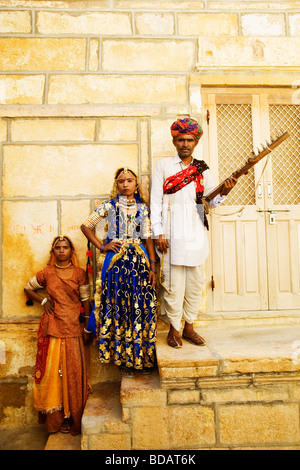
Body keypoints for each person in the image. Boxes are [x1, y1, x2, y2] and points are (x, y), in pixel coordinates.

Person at [150, 118, 236, 349]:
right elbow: (155, 202)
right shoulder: (164, 166)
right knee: (173, 284)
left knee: (195, 283)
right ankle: (174, 329)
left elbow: (211, 202)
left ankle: (189, 326)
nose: (185, 143)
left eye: (189, 140)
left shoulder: (202, 168)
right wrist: (159, 233)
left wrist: (225, 191)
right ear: (174, 141)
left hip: (196, 231)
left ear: (195, 142)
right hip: (171, 234)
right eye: (181, 140)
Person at [81, 167, 157, 378]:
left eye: (129, 180)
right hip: (115, 265)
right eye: (121, 181)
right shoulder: (109, 206)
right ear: (117, 184)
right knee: (119, 307)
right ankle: (123, 360)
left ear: (136, 184)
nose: (125, 184)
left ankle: (141, 358)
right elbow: (86, 226)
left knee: (140, 307)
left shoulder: (143, 208)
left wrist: (152, 265)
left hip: (139, 264)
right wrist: (101, 246)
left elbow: (148, 237)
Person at [24, 235, 91, 436]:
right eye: (58, 248)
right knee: (55, 375)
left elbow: (86, 301)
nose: (61, 251)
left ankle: (73, 417)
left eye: (65, 247)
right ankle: (58, 418)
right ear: (53, 252)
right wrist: (43, 301)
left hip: (74, 329)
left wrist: (87, 326)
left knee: (73, 374)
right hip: (53, 329)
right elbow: (28, 288)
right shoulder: (47, 273)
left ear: (71, 251)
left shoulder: (80, 274)